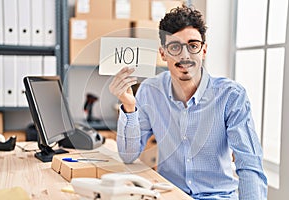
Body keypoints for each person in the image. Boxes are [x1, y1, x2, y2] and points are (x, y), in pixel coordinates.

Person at [109, 5, 267, 200]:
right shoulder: (150, 91)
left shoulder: (231, 96)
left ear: (204, 50)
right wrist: (129, 107)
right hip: (171, 195)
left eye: (193, 46)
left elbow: (249, 164)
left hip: (219, 196)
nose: (185, 56)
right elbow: (128, 155)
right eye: (175, 47)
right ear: (163, 53)